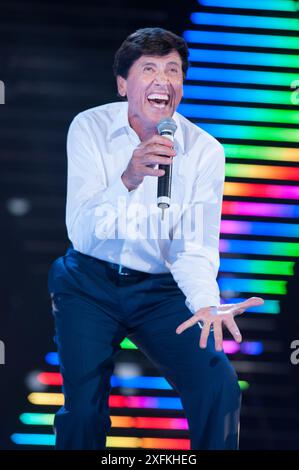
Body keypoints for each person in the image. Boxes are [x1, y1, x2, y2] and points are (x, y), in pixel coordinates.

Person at [48, 27, 264, 450]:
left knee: (218, 385)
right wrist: (128, 178)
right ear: (123, 84)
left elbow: (194, 245)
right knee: (84, 411)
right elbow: (82, 230)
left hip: (160, 289)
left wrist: (205, 303)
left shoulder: (205, 151)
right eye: (149, 69)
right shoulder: (89, 128)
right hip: (88, 283)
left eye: (173, 70)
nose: (163, 80)